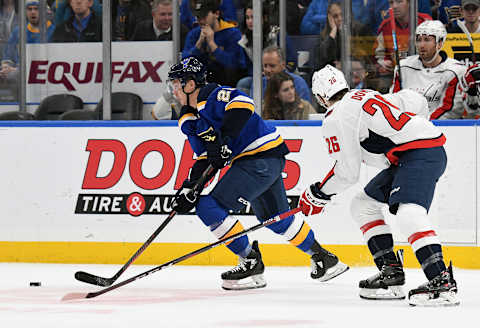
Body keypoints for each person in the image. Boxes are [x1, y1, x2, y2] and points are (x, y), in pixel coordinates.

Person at [168, 56, 348, 290]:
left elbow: (244, 104)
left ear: (190, 85)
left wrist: (227, 142)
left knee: (208, 207)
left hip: (259, 159)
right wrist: (189, 187)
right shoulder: (192, 118)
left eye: (175, 83)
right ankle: (324, 258)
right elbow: (206, 157)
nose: (173, 90)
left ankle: (250, 260)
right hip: (266, 159)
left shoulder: (212, 96)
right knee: (276, 218)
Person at [301, 64, 459, 306]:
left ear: (321, 98)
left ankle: (441, 281)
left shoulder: (335, 116)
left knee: (409, 212)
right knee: (362, 205)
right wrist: (414, 129)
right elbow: (414, 100)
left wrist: (318, 194)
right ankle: (391, 274)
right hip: (418, 152)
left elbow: (347, 172)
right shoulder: (368, 95)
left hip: (419, 154)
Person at [391, 20, 479, 119]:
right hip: (405, 128)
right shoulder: (403, 67)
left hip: (439, 129)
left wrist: (421, 124)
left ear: (440, 43)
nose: (422, 45)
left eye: (427, 40)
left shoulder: (455, 71)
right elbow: (394, 103)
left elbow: (450, 110)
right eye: (419, 40)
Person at [236, 1, 297, 95]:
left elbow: (292, 61)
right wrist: (260, 73)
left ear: (264, 18)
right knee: (243, 83)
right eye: (247, 18)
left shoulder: (278, 34)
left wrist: (278, 72)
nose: (250, 21)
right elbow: (247, 68)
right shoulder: (244, 41)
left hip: (284, 74)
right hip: (261, 76)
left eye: (253, 17)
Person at [182, 0, 245, 86]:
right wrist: (199, 44)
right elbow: (185, 63)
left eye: (204, 16)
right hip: (203, 81)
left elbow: (234, 64)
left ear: (216, 14)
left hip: (228, 82)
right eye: (198, 17)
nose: (200, 20)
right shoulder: (195, 34)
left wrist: (212, 45)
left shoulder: (232, 33)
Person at [373, 0, 432, 92]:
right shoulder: (385, 25)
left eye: (399, 2)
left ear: (409, 3)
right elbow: (378, 54)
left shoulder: (425, 22)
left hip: (422, 75)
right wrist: (384, 62)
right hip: (394, 75)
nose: (395, 6)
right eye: (391, 2)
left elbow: (435, 52)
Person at [0, 1, 55, 92]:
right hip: (18, 79)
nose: (32, 12)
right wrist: (5, 67)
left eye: (36, 9)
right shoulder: (18, 32)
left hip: (45, 79)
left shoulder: (54, 32)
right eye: (29, 9)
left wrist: (16, 70)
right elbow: (8, 56)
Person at [313, 2, 372, 71]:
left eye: (342, 15)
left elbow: (367, 62)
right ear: (330, 19)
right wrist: (333, 32)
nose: (340, 19)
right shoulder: (325, 36)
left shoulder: (360, 30)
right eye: (335, 16)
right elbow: (320, 64)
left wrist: (341, 65)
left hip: (357, 77)